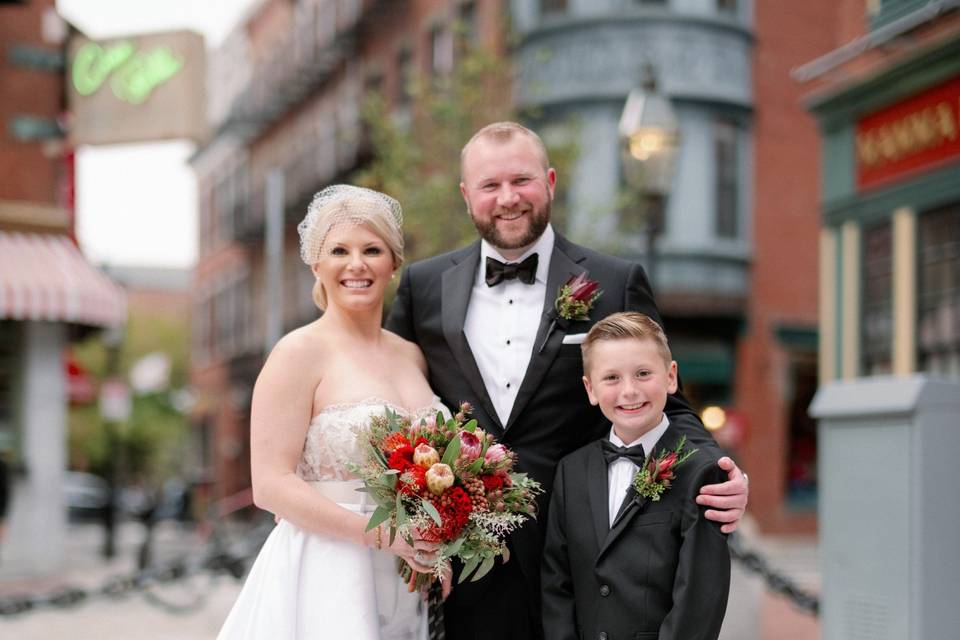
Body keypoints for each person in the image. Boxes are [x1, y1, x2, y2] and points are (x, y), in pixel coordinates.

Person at [386, 122, 748, 639]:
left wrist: (721, 473)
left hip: (585, 555)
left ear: (551, 181)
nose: (508, 198)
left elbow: (672, 404)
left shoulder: (616, 280)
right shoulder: (423, 286)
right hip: (461, 558)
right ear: (467, 197)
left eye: (522, 180)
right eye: (490, 186)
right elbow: (391, 402)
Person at [218, 185, 446, 640]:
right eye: (339, 250)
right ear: (316, 265)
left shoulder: (412, 356)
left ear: (393, 263)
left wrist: (438, 544)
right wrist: (384, 536)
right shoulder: (297, 352)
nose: (356, 264)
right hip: (326, 572)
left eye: (372, 250)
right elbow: (270, 486)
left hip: (405, 581)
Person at [541, 312, 730, 640]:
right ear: (591, 389)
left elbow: (699, 599)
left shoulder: (701, 472)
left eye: (643, 374)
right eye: (611, 378)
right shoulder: (570, 471)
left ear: (671, 377)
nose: (629, 391)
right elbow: (556, 582)